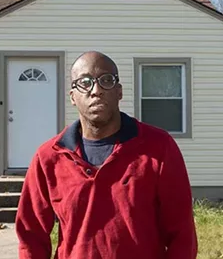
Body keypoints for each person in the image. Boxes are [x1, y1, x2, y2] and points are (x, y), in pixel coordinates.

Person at [15, 51, 198, 259]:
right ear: (73, 96)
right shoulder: (49, 157)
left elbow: (182, 235)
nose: (96, 90)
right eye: (85, 82)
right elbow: (31, 236)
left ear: (119, 92)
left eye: (106, 80)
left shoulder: (158, 148)